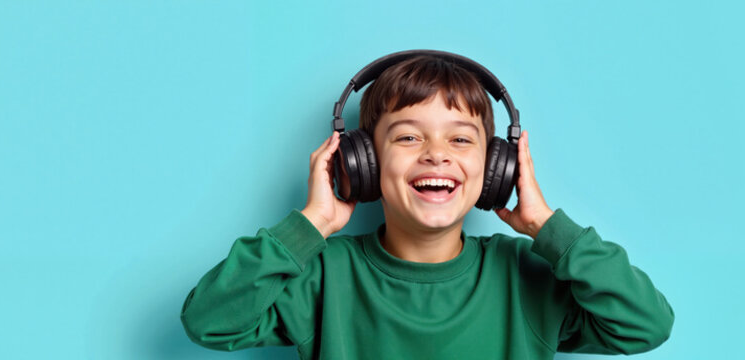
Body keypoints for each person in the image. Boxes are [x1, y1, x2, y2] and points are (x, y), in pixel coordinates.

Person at [180, 53, 674, 359]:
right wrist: (311, 225)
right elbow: (208, 320)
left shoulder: (526, 274)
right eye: (409, 137)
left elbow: (645, 325)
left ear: (498, 167)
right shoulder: (322, 275)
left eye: (461, 139)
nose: (436, 153)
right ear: (363, 161)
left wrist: (547, 228)